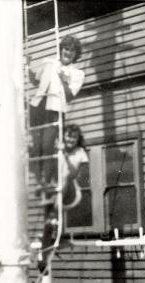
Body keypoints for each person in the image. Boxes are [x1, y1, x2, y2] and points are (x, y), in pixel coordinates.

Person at [28, 35, 85, 188]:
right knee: (37, 146)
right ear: (61, 49)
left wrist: (64, 80)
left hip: (55, 109)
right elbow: (35, 81)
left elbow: (70, 96)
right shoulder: (49, 63)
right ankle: (40, 182)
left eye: (72, 51)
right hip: (38, 106)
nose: (68, 52)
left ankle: (47, 181)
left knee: (47, 146)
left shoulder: (77, 74)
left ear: (75, 54)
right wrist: (28, 67)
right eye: (66, 48)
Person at [37, 124, 88, 275]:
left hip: (72, 192)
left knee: (65, 177)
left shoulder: (80, 153)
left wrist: (65, 155)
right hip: (57, 192)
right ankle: (43, 261)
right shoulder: (58, 151)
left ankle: (54, 214)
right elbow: (50, 170)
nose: (70, 140)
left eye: (74, 137)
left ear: (78, 139)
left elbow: (75, 174)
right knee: (48, 224)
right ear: (63, 138)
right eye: (68, 137)